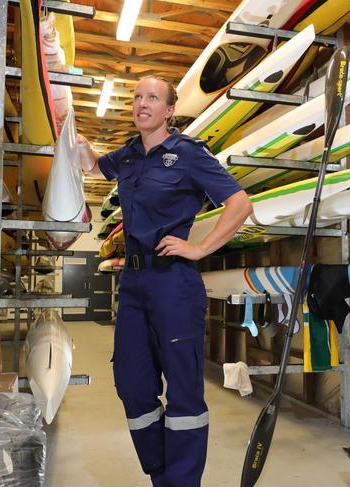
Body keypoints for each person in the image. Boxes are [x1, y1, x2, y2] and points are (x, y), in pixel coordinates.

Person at [77, 76, 253, 487]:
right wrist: (78, 142)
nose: (142, 104)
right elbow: (93, 164)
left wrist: (199, 248)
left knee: (184, 393)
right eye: (137, 98)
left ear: (169, 110)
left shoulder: (189, 154)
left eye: (152, 98)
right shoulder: (128, 155)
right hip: (134, 283)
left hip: (174, 282)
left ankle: (182, 482)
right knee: (131, 382)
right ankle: (160, 474)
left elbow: (240, 203)